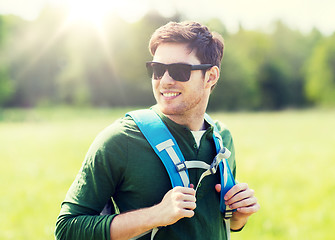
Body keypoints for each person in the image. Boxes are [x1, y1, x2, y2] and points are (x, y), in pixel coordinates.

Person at [55, 21, 259, 240]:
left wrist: (238, 217)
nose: (165, 81)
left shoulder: (222, 139)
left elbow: (216, 222)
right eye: (158, 70)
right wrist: (155, 215)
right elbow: (67, 229)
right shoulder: (120, 140)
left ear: (211, 76)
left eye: (180, 71)